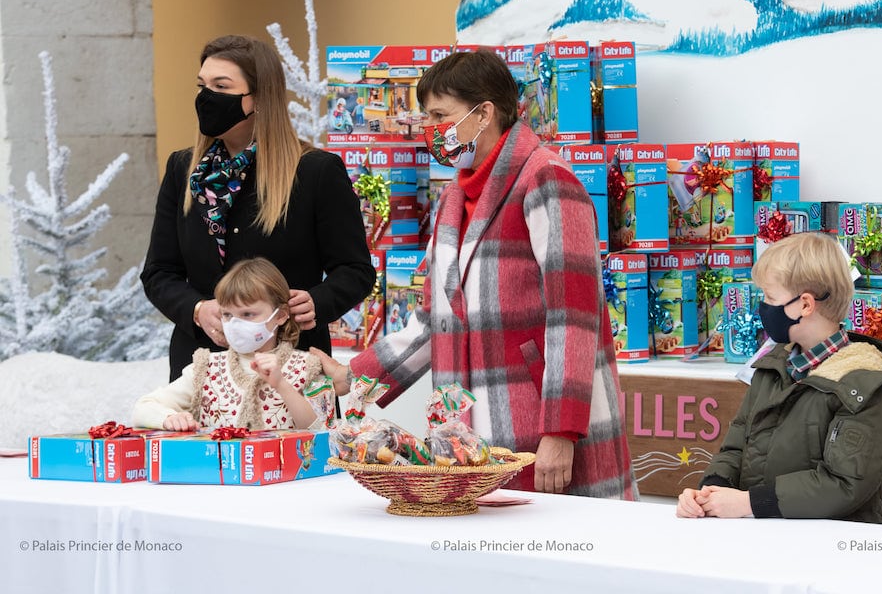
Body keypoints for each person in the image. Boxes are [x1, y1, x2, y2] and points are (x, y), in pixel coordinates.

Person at [326, 49, 637, 499]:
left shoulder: (547, 178)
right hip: (469, 436)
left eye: (439, 115)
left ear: (483, 112)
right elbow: (436, 321)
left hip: (543, 428)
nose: (430, 130)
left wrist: (562, 431)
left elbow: (575, 315)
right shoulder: (455, 198)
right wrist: (353, 378)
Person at [141, 35, 375, 381]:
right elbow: (159, 271)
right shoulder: (183, 169)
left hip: (290, 368)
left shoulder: (314, 171)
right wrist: (196, 309)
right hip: (203, 367)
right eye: (202, 85)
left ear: (260, 98)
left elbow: (355, 270)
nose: (207, 97)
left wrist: (318, 301)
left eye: (221, 86)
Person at [677, 232, 882, 523]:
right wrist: (712, 492)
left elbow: (846, 484)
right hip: (768, 541)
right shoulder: (773, 368)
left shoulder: (863, 385)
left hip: (833, 552)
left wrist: (750, 502)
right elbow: (736, 447)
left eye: (770, 297)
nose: (763, 306)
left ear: (806, 305)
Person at [133, 257, 347, 431]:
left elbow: (321, 427)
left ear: (280, 315)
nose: (235, 324)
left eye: (248, 314)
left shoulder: (307, 367)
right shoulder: (206, 368)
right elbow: (143, 408)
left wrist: (282, 385)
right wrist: (169, 418)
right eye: (227, 314)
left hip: (286, 482)